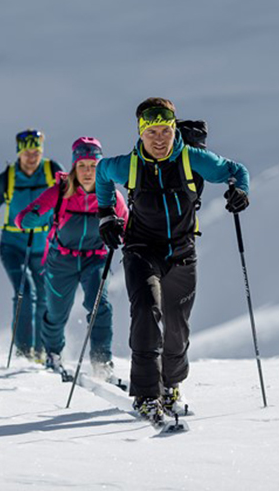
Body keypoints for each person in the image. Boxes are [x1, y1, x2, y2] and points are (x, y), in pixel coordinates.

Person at [95, 97, 250, 424]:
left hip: (181, 250)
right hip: (140, 247)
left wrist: (241, 191)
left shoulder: (193, 158)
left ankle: (171, 385)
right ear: (141, 132)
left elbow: (236, 171)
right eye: (152, 132)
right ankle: (147, 395)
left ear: (173, 128)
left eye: (165, 130)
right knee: (146, 311)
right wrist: (106, 215)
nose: (160, 139)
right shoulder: (128, 165)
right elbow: (102, 173)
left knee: (177, 325)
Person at [14, 137, 129, 379]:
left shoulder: (111, 195)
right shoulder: (60, 193)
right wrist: (28, 219)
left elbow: (129, 226)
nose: (88, 172)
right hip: (61, 260)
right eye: (82, 166)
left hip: (95, 259)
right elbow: (23, 217)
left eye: (93, 166)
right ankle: (53, 353)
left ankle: (102, 361)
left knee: (100, 305)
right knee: (56, 312)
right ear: (74, 167)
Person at [0, 129, 63, 361]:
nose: (32, 157)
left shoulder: (53, 172)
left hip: (43, 248)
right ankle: (24, 352)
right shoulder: (6, 179)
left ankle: (41, 351)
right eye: (27, 153)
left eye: (36, 152)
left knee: (44, 295)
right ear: (18, 153)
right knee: (25, 291)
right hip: (13, 247)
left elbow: (69, 199)